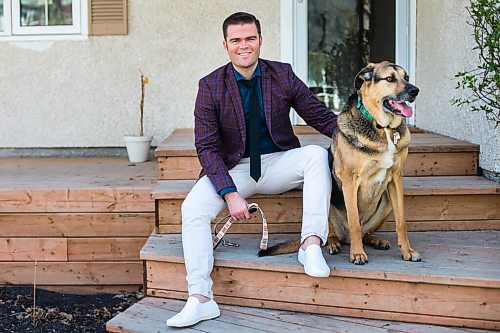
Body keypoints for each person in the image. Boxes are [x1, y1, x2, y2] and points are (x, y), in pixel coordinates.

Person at [166, 12, 337, 327]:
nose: (244, 46)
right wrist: (229, 193)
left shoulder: (282, 74)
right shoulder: (210, 86)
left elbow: (319, 116)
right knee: (193, 208)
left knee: (315, 154)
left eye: (250, 38)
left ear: (260, 40)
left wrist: (363, 137)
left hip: (276, 162)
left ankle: (311, 243)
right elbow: (206, 147)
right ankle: (201, 298)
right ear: (226, 45)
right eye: (236, 40)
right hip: (235, 169)